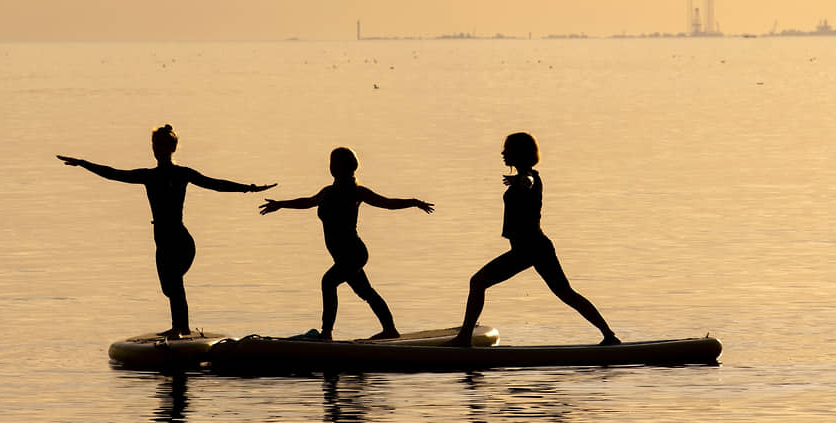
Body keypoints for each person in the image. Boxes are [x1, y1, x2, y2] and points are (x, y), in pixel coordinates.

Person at [57, 124, 276, 338]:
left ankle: (181, 328)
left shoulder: (183, 174)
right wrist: (83, 163)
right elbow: (114, 174)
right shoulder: (148, 176)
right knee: (168, 289)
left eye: (162, 145)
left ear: (172, 148)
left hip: (180, 240)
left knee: (174, 281)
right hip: (161, 240)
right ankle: (180, 327)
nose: (158, 149)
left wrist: (249, 188)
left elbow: (214, 183)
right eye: (155, 144)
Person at [448, 132, 620, 347]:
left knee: (478, 282)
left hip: (530, 248)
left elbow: (528, 181)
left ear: (519, 153)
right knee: (566, 293)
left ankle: (464, 339)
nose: (503, 153)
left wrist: (520, 181)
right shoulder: (524, 177)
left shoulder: (530, 177)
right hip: (533, 248)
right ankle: (609, 336)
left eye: (507, 149)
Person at [259, 147, 434, 341]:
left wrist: (414, 202)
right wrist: (281, 204)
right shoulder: (327, 192)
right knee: (365, 291)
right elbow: (308, 202)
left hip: (354, 253)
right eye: (331, 163)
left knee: (328, 282)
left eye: (334, 163)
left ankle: (327, 333)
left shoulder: (356, 192)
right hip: (343, 255)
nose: (331, 166)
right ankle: (389, 330)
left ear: (342, 167)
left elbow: (387, 203)